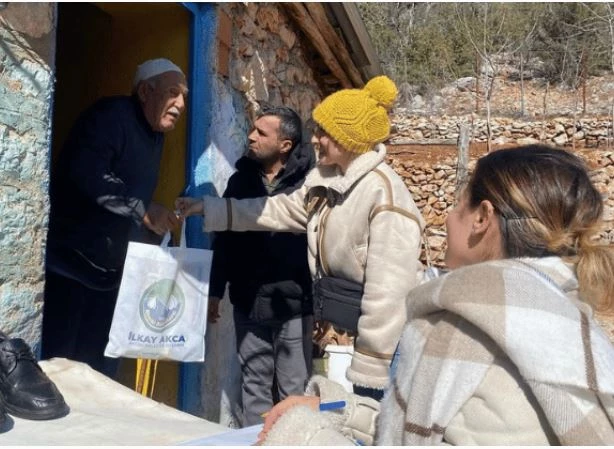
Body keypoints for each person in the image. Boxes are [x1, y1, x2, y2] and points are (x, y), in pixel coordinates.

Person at [255, 144, 614, 446]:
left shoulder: (463, 329)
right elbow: (424, 428)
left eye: (459, 205)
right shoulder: (565, 317)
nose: (447, 217)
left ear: (482, 218)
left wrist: (301, 435)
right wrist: (336, 409)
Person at [176, 76, 425, 401]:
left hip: (384, 349)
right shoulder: (326, 183)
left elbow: (389, 291)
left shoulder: (383, 194)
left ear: (347, 139)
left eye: (324, 132)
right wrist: (209, 208)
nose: (315, 139)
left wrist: (370, 365)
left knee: (375, 421)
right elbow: (275, 210)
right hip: (360, 333)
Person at [42, 58, 188, 377]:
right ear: (146, 91)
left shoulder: (155, 135)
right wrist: (142, 209)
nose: (180, 104)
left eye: (184, 97)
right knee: (58, 370)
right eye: (173, 93)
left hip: (110, 277)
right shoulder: (111, 116)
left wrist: (154, 228)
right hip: (71, 268)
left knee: (96, 374)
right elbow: (87, 173)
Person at [208, 106, 315, 426]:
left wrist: (322, 304)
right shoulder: (241, 181)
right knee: (254, 386)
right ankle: (257, 440)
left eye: (261, 133)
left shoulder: (308, 184)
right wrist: (215, 291)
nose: (251, 136)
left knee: (294, 389)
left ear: (285, 145)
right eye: (252, 129)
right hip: (248, 301)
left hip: (293, 305)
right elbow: (224, 239)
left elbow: (323, 242)